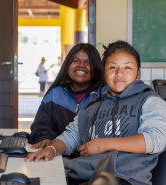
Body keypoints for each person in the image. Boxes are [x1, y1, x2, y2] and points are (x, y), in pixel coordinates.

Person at [25, 40, 166, 185]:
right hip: (81, 177)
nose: (119, 73)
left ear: (138, 73)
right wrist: (53, 149)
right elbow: (70, 137)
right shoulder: (92, 109)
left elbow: (155, 139)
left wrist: (103, 145)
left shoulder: (149, 101)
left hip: (124, 180)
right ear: (104, 73)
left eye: (127, 67)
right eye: (112, 67)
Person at [29, 43, 109, 150]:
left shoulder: (104, 93)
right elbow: (40, 125)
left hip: (92, 159)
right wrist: (46, 137)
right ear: (67, 65)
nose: (81, 65)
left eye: (88, 62)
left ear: (97, 67)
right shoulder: (55, 93)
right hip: (58, 155)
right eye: (75, 61)